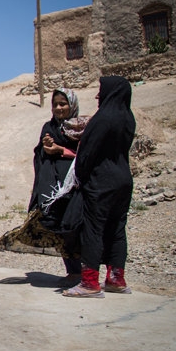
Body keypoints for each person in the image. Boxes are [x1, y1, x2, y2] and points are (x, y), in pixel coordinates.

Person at [0, 88, 88, 283]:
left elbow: (85, 155)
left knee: (77, 227)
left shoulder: (82, 128)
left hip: (75, 186)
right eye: (55, 104)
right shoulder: (49, 127)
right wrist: (45, 148)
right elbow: (40, 155)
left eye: (62, 104)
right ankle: (73, 271)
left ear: (71, 105)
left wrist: (61, 150)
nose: (58, 108)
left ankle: (88, 273)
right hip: (54, 189)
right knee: (58, 226)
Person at [58, 76, 136, 298]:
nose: (97, 95)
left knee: (94, 229)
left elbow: (88, 154)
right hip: (124, 180)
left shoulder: (102, 119)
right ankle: (116, 279)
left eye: (101, 91)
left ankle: (90, 282)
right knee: (117, 230)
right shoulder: (128, 118)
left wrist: (81, 177)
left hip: (101, 182)